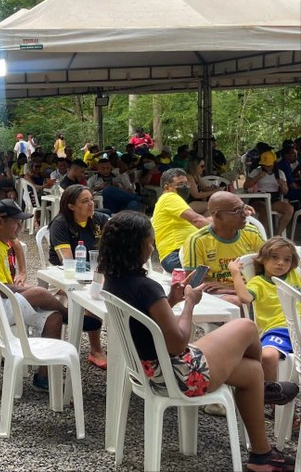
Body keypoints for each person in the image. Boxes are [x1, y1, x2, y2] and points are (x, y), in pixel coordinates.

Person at [98, 211, 297, 471]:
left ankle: (262, 455)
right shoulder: (146, 287)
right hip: (178, 374)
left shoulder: (115, 280)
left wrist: (171, 300)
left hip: (150, 367)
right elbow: (178, 343)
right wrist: (190, 304)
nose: (153, 246)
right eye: (150, 241)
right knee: (247, 326)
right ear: (138, 246)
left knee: (251, 371)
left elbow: (147, 320)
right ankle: (268, 388)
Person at [0, 199, 86, 391]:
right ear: (0, 222)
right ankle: (72, 318)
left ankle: (42, 377)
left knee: (53, 318)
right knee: (40, 292)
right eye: (16, 221)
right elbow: (3, 290)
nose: (20, 226)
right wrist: (33, 292)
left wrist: (29, 290)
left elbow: (7, 287)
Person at [46, 184, 108, 367]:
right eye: (84, 201)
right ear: (71, 206)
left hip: (94, 274)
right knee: (93, 295)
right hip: (62, 277)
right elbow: (68, 261)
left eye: (91, 199)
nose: (91, 204)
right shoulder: (61, 224)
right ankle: (96, 349)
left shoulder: (99, 220)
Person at [229, 236, 301, 382]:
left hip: (299, 327)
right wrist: (235, 273)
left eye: (287, 260)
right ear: (263, 259)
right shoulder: (258, 283)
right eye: (274, 257)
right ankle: (270, 397)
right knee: (267, 356)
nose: (281, 263)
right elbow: (245, 298)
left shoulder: (294, 275)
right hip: (279, 330)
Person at [183, 191, 265, 306]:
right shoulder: (198, 240)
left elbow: (268, 265)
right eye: (237, 211)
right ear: (218, 216)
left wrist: (238, 289)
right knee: (237, 302)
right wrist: (231, 290)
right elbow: (194, 283)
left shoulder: (252, 232)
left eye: (244, 208)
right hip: (217, 294)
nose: (245, 214)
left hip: (251, 289)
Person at [152, 168, 211, 272]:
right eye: (180, 184)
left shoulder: (172, 200)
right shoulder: (169, 197)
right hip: (176, 255)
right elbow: (197, 220)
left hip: (182, 253)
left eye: (186, 183)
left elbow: (203, 220)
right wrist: (225, 230)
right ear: (167, 187)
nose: (185, 187)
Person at [245, 150, 294, 237]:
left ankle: (277, 235)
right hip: (259, 198)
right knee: (265, 209)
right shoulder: (257, 171)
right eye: (264, 165)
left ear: (274, 163)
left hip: (274, 198)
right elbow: (246, 186)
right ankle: (265, 236)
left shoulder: (279, 173)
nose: (266, 167)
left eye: (269, 165)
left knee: (289, 209)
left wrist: (282, 185)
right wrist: (258, 177)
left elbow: (285, 191)